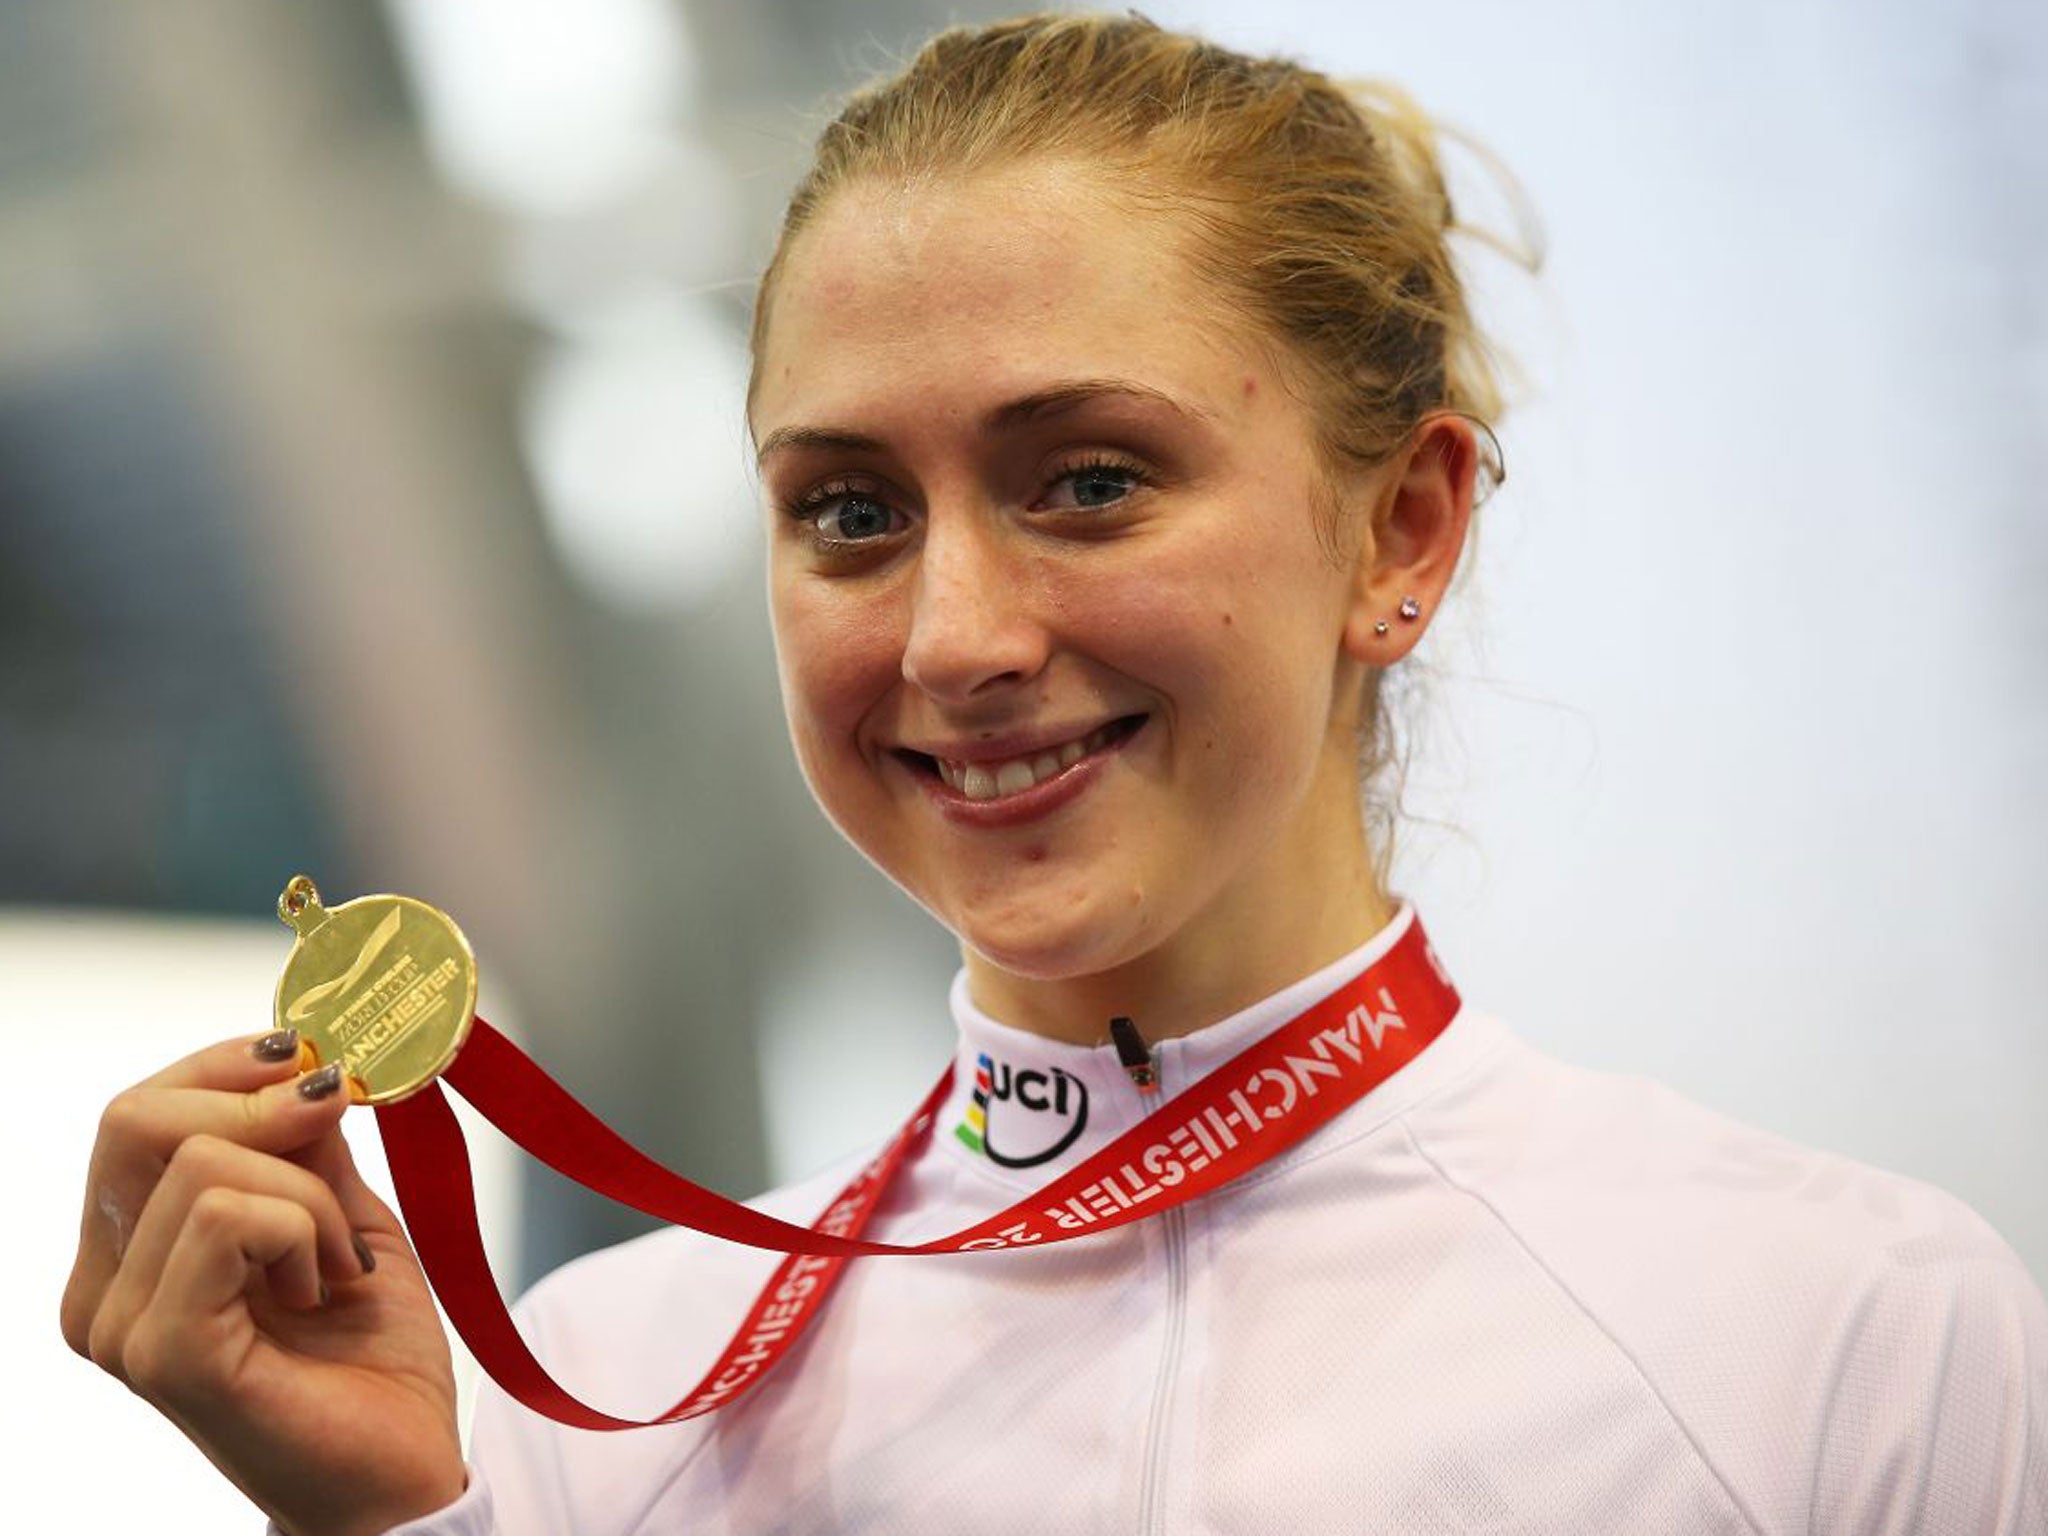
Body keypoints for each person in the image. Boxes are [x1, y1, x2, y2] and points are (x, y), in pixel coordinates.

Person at [62, 13, 2048, 1534]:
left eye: (1087, 482)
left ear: (1403, 530)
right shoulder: (581, 1402)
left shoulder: (1841, 1332)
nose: (951, 639)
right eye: (847, 512)